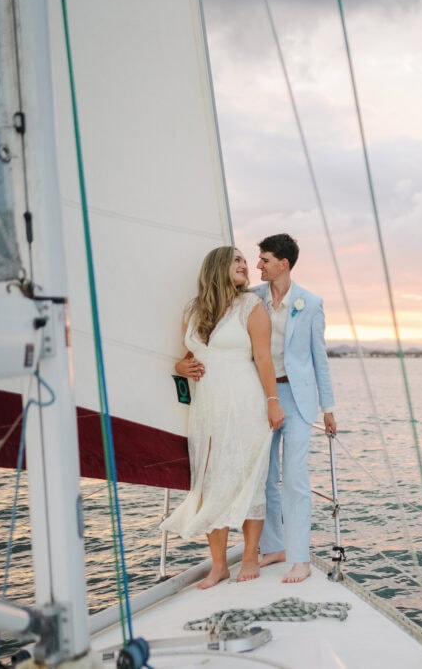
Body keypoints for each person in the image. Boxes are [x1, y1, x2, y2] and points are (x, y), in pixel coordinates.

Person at [163, 246, 284, 589]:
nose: (246, 266)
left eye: (247, 261)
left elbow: (263, 358)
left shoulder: (251, 306)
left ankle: (248, 557)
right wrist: (180, 366)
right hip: (208, 407)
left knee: (249, 478)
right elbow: (185, 357)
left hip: (246, 401)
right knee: (211, 480)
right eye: (237, 260)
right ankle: (219, 565)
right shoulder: (193, 310)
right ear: (217, 266)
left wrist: (273, 401)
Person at [252, 233, 337, 584]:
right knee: (266, 477)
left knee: (295, 478)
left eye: (265, 259)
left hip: (299, 399)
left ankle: (300, 557)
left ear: (283, 264)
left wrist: (328, 407)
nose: (258, 264)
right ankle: (274, 545)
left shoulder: (311, 303)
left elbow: (320, 359)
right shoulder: (251, 299)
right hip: (262, 396)